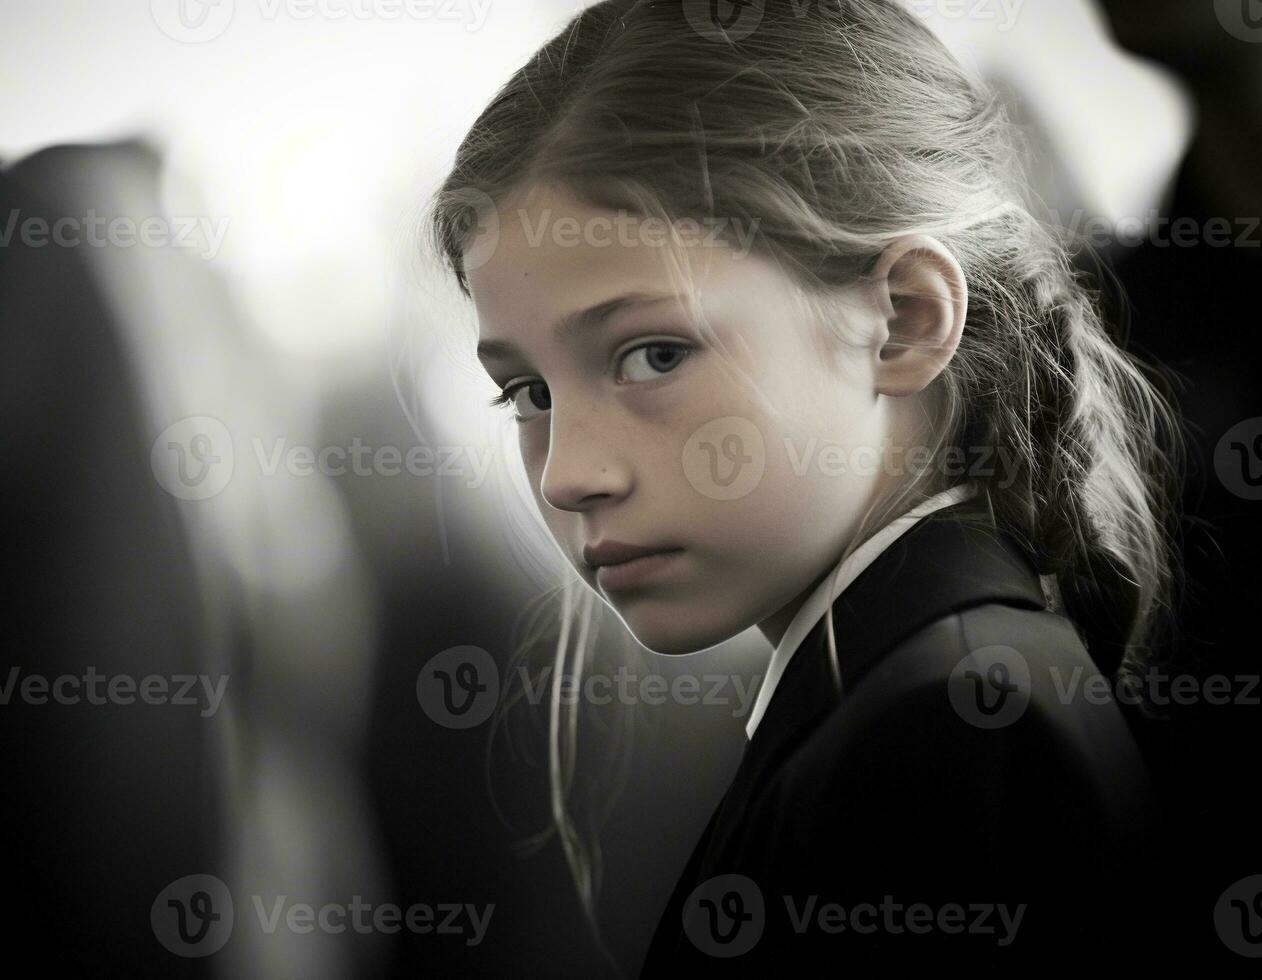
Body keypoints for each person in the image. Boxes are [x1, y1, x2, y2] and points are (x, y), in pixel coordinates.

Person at [426, 0, 1183, 972]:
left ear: (904, 319)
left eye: (653, 353)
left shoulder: (945, 735)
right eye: (525, 390)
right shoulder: (913, 692)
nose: (570, 474)